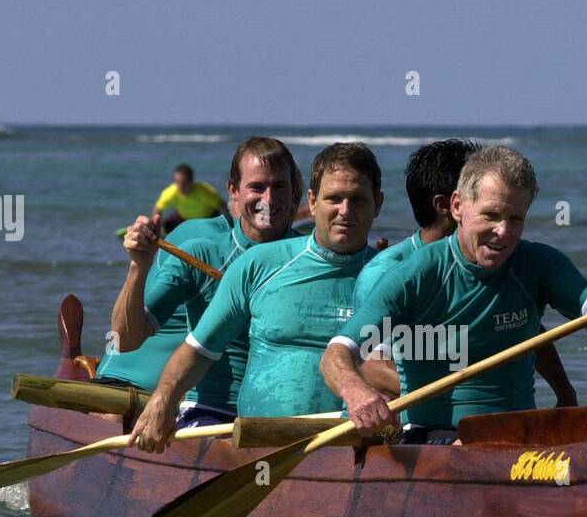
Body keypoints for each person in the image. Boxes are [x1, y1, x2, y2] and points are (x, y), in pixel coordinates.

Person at [320, 146, 587, 442]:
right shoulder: (414, 275)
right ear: (457, 206)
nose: (503, 233)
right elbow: (336, 354)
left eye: (515, 219)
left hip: (518, 435)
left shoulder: (540, 263)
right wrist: (356, 392)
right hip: (435, 437)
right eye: (491, 216)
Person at [128, 142, 384, 451]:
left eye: (358, 200)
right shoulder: (258, 264)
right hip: (257, 445)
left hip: (350, 443)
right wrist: (163, 399)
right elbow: (197, 351)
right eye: (334, 199)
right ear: (313, 202)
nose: (345, 211)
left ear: (378, 204)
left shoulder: (396, 276)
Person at [353, 138, 579, 407]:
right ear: (451, 204)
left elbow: (528, 331)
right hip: (413, 418)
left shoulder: (498, 261)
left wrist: (565, 393)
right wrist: (463, 396)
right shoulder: (390, 270)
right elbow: (367, 364)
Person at [101, 138, 303, 423]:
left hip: (293, 417)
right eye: (257, 187)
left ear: (296, 192)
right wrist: (139, 266)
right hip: (213, 414)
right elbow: (125, 339)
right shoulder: (202, 253)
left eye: (279, 187)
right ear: (233, 190)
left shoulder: (313, 256)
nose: (268, 199)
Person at [153, 164, 226, 233]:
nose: (181, 186)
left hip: (208, 218)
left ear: (192, 181)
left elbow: (223, 206)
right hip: (185, 218)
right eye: (177, 182)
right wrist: (155, 226)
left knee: (220, 229)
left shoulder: (205, 192)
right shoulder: (171, 193)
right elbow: (158, 208)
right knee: (166, 227)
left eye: (184, 183)